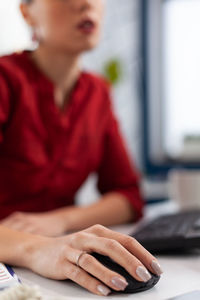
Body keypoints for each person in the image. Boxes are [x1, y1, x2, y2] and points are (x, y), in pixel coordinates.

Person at [0, 0, 163, 296]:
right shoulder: (5, 80)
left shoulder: (97, 91)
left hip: (59, 256)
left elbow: (128, 196)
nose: (86, 3)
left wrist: (59, 220)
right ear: (27, 12)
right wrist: (36, 249)